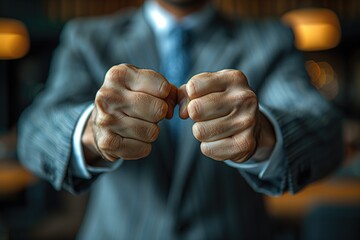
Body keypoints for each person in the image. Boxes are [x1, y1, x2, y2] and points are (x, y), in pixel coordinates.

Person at [17, 0, 343, 239]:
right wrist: (91, 129)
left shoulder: (271, 39)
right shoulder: (87, 38)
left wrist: (264, 134)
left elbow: (324, 130)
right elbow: (33, 132)